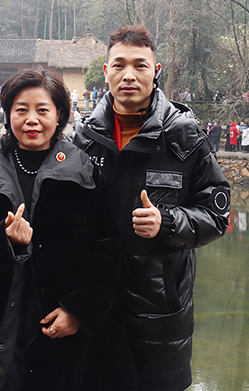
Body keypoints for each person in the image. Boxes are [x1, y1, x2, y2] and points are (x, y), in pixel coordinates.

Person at [71, 25, 230, 391]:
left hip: (159, 311)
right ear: (106, 72)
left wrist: (168, 222)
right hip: (93, 304)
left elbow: (216, 215)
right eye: (119, 65)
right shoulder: (83, 137)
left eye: (140, 65)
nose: (129, 75)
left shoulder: (184, 136)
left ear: (155, 71)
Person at [0, 68, 119, 391]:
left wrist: (78, 310)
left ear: (59, 114)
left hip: (59, 325)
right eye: (21, 110)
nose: (31, 120)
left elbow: (107, 248)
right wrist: (3, 240)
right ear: (8, 114)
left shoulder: (83, 171)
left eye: (42, 110)